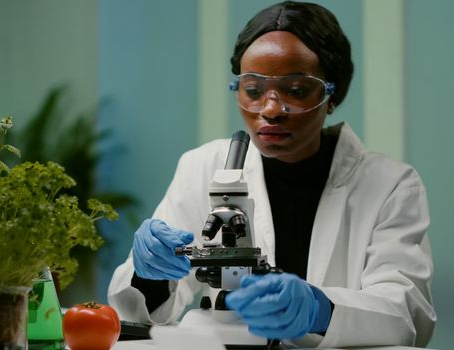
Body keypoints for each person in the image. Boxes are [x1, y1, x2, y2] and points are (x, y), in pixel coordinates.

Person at [108, 1, 436, 348]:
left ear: (331, 95)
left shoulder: (390, 184)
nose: (270, 109)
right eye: (253, 90)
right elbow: (141, 313)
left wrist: (320, 309)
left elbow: (407, 313)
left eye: (295, 91)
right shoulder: (203, 166)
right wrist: (151, 272)